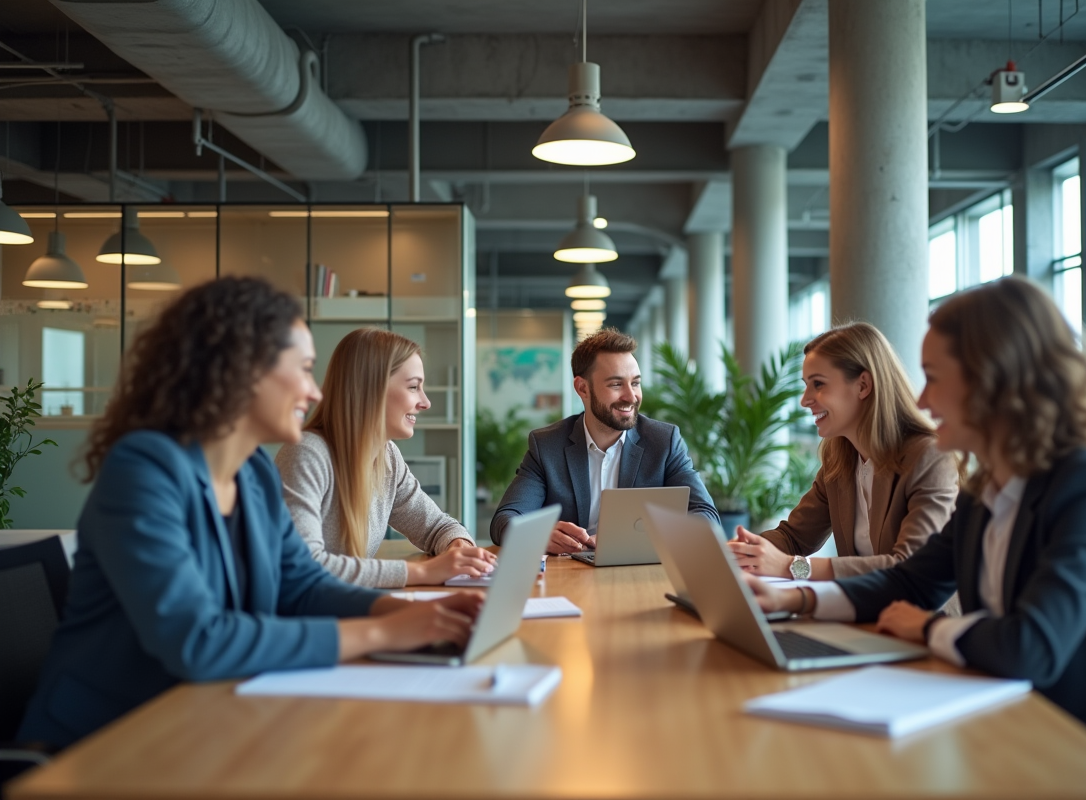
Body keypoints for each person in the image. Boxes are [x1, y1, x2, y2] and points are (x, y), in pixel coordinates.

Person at [748, 276, 1086, 795]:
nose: (921, 396)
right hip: (1018, 723)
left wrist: (928, 629)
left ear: (996, 383)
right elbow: (912, 582)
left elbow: (1032, 646)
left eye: (935, 377)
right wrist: (792, 598)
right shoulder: (987, 489)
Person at [18, 277, 483, 750]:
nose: (315, 391)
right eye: (302, 369)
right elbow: (197, 640)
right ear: (243, 370)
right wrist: (385, 629)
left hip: (206, 718)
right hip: (106, 741)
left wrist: (421, 616)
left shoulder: (253, 474)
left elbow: (301, 585)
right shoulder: (144, 472)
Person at [729, 322, 959, 581]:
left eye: (818, 384)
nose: (805, 400)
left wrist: (792, 567)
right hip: (863, 613)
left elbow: (910, 566)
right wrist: (737, 552)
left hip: (923, 617)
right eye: (806, 385)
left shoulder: (930, 457)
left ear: (863, 385)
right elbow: (794, 537)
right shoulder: (839, 461)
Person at [275, 329, 495, 588]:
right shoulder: (306, 454)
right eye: (413, 387)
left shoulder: (386, 456)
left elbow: (435, 526)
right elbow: (305, 566)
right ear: (370, 388)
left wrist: (459, 547)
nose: (425, 402)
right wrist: (423, 572)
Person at [491, 328, 719, 554]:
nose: (631, 397)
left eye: (636, 383)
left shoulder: (664, 442)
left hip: (641, 573)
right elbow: (505, 520)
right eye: (616, 384)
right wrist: (537, 535)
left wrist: (633, 539)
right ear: (582, 388)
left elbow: (707, 517)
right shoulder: (547, 445)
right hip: (570, 576)